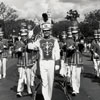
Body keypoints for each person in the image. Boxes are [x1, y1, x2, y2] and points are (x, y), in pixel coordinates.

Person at [28, 16, 60, 100]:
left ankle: (49, 97)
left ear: (50, 31)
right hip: (42, 63)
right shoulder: (39, 40)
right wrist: (29, 38)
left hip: (51, 62)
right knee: (44, 82)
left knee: (50, 81)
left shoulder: (54, 40)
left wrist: (57, 63)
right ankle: (46, 98)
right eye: (44, 31)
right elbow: (30, 46)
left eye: (47, 31)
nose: (46, 32)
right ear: (43, 31)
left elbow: (57, 52)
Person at [16, 25, 36, 97]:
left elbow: (33, 49)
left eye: (25, 35)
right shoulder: (18, 42)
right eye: (22, 36)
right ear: (21, 36)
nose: (24, 37)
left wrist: (29, 46)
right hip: (21, 63)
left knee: (29, 77)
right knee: (21, 77)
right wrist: (19, 49)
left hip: (29, 62)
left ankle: (29, 90)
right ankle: (19, 91)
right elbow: (15, 50)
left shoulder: (29, 41)